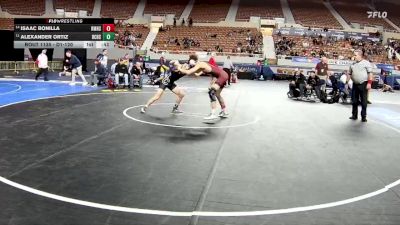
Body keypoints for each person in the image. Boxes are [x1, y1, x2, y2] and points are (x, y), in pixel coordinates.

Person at [178, 54, 229, 121]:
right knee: (217, 95)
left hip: (222, 76)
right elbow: (196, 74)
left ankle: (213, 114)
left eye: (191, 64)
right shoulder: (200, 66)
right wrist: (185, 69)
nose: (191, 65)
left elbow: (188, 72)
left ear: (194, 62)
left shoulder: (200, 64)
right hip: (223, 75)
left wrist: (179, 68)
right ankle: (224, 111)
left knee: (211, 92)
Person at [347, 50, 373, 122]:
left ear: (360, 55)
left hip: (363, 84)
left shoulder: (366, 63)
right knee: (354, 101)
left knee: (364, 102)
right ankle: (354, 115)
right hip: (355, 84)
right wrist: (346, 82)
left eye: (355, 55)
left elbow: (370, 74)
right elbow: (349, 74)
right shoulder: (352, 64)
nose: (354, 56)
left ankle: (363, 117)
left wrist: (369, 83)